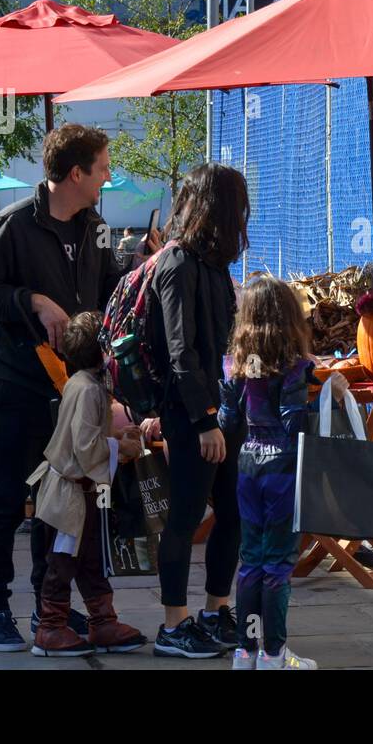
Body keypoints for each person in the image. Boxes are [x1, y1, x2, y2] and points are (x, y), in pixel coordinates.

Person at [0, 124, 161, 652]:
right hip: (21, 382)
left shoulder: (93, 225)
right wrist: (31, 300)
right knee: (6, 493)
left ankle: (47, 609)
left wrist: (142, 264)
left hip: (74, 389)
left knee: (61, 496)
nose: (108, 177)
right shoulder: (12, 227)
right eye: (102, 167)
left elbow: (105, 287)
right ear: (76, 173)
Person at [138, 163, 248, 659]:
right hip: (191, 414)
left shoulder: (213, 264)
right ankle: (172, 624)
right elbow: (181, 352)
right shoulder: (178, 263)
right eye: (236, 207)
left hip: (222, 409)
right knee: (183, 519)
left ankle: (214, 610)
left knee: (232, 515)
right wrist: (205, 420)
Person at [219, 276, 335, 670]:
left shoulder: (236, 365)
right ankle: (274, 654)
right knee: (278, 566)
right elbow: (293, 424)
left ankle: (244, 652)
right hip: (283, 472)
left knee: (250, 560)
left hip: (248, 465)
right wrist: (318, 408)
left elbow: (227, 418)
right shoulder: (294, 367)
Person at [27, 311, 147, 656]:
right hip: (71, 494)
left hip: (80, 491)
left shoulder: (81, 382)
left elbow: (85, 434)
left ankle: (102, 622)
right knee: (63, 561)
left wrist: (115, 434)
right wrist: (119, 446)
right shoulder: (91, 389)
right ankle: (50, 628)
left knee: (91, 557)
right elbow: (83, 447)